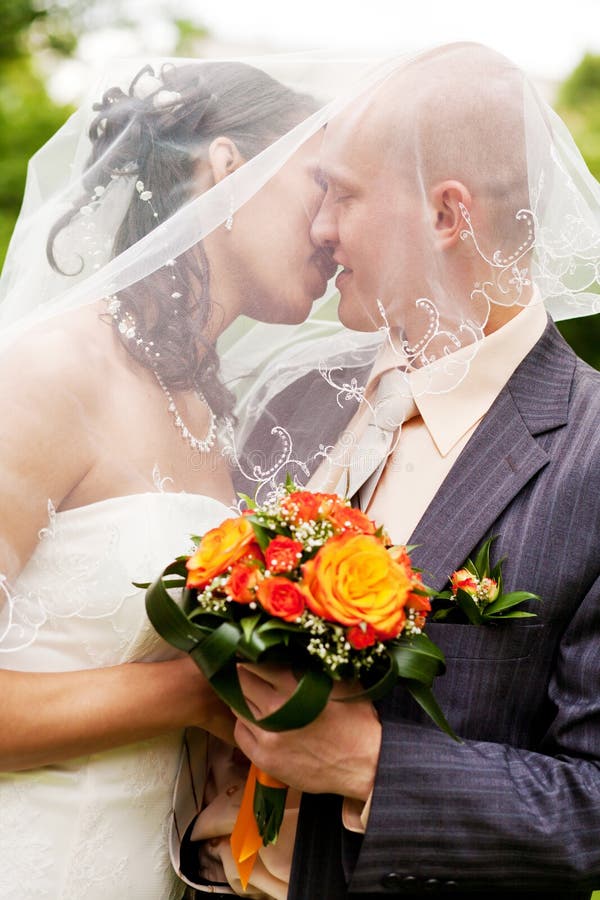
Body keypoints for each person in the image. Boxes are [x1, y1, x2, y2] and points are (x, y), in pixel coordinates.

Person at [226, 43, 600, 899]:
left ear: (447, 215)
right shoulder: (297, 402)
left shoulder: (591, 451)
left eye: (343, 194)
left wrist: (372, 766)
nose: (319, 228)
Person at [0, 57, 339, 900]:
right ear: (229, 167)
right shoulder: (50, 372)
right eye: (322, 184)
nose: (334, 226)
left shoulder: (214, 409)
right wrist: (194, 691)